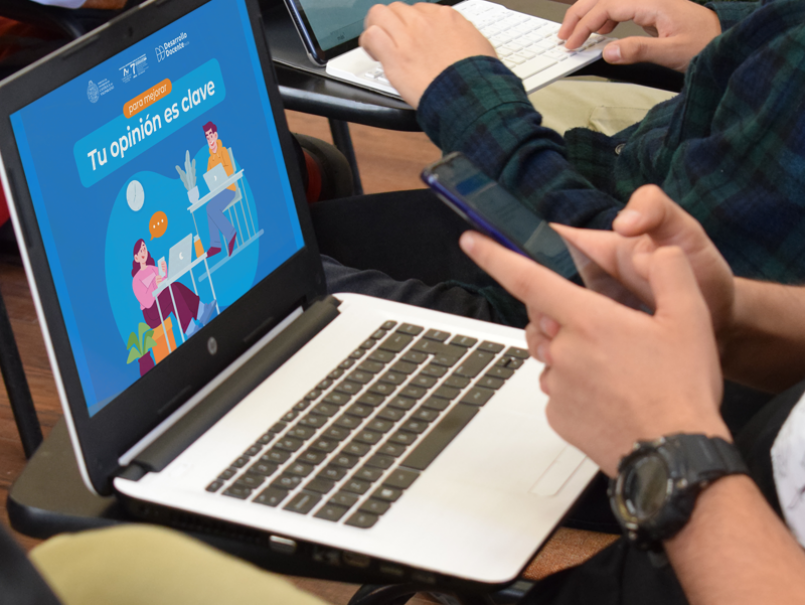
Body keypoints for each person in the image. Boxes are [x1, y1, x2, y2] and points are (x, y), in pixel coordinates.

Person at [315, 0, 805, 329]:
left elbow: (637, 298)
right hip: (627, 181)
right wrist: (731, 36)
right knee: (311, 226)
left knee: (276, 282)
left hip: (558, 319)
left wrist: (462, 92)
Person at [131, 239, 215, 339]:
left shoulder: (152, 268)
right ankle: (190, 328)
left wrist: (164, 271)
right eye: (141, 250)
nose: (144, 252)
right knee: (172, 291)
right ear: (136, 258)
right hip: (151, 313)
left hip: (161, 302)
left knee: (176, 286)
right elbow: (147, 302)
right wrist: (154, 284)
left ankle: (201, 312)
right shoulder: (136, 280)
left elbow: (164, 284)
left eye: (144, 248)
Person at [202, 121, 238, 259]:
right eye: (207, 137)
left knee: (211, 209)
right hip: (218, 192)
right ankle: (216, 245)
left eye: (211, 136)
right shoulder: (210, 159)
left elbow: (230, 169)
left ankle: (230, 233)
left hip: (229, 189)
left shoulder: (223, 151)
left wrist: (219, 174)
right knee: (209, 208)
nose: (210, 140)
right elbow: (209, 178)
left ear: (216, 135)